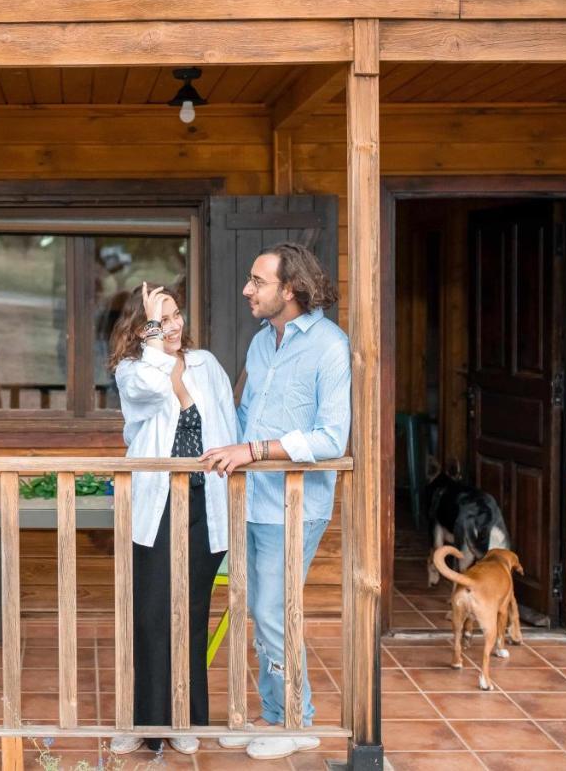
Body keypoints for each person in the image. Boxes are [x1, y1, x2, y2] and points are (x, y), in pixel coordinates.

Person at [201, 242, 350, 762]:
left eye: (257, 281)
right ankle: (271, 714)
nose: (247, 289)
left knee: (273, 611)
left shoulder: (330, 346)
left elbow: (332, 437)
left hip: (295, 506)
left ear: (290, 289)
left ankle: (296, 721)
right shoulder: (262, 343)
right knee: (251, 610)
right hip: (248, 500)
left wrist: (254, 450)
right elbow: (244, 415)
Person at [108, 283, 239, 757]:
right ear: (142, 327)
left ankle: (184, 716)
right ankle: (141, 720)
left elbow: (229, 426)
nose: (176, 324)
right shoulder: (133, 370)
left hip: (207, 505)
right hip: (158, 506)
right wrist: (155, 341)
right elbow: (147, 390)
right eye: (163, 318)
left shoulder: (208, 366)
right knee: (149, 613)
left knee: (191, 613)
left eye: (177, 313)